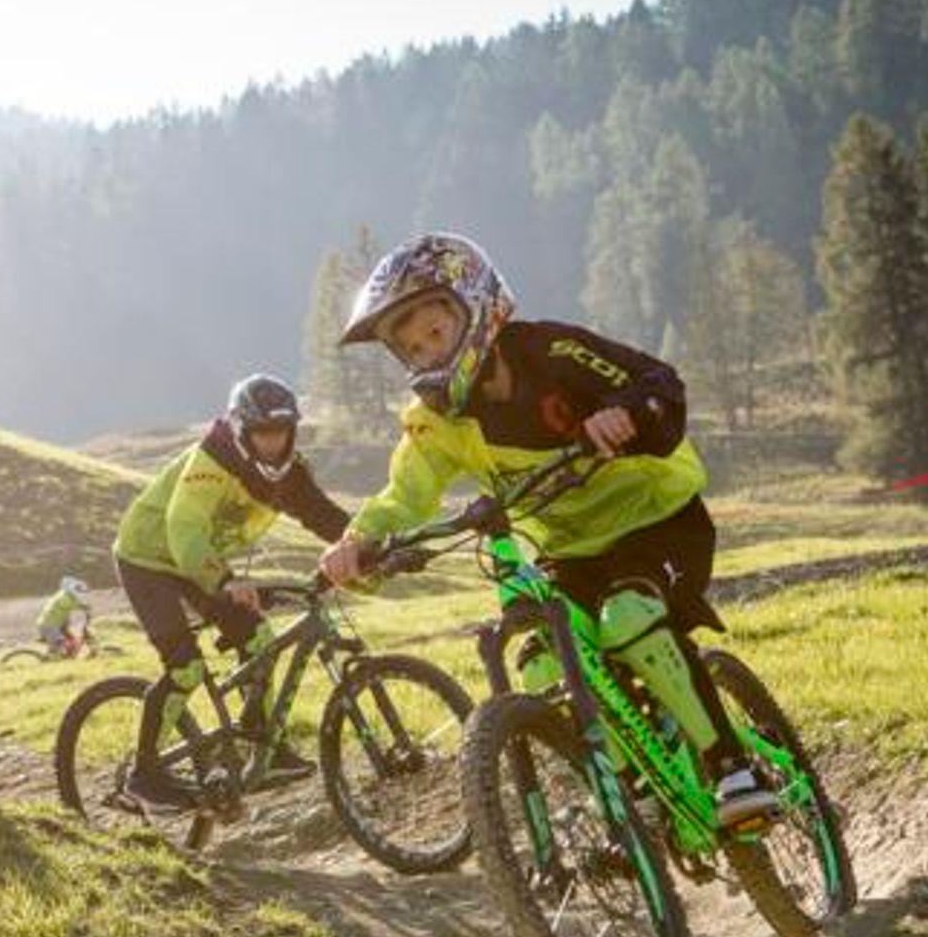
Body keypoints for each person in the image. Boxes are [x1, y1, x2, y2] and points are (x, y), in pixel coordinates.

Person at [316, 232, 779, 828]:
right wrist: (357, 543)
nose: (428, 352)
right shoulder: (436, 422)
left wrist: (624, 412)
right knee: (541, 662)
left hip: (658, 516)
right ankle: (636, 788)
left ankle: (732, 767)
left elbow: (657, 380)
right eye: (413, 349)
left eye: (436, 332)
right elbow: (405, 494)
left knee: (629, 616)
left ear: (474, 304)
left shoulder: (551, 351)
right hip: (571, 548)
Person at [112, 373, 350, 806]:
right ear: (242, 431)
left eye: (282, 431)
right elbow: (184, 530)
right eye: (263, 432)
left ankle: (260, 748)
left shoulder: (290, 473)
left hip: (199, 561)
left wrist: (366, 546)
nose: (274, 442)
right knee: (186, 669)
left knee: (260, 639)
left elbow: (324, 516)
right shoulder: (212, 460)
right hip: (148, 558)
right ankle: (143, 773)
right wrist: (224, 581)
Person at [35, 575, 93, 657]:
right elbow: (68, 604)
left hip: (57, 624)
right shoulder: (63, 596)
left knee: (71, 640)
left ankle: (68, 655)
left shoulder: (69, 596)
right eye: (78, 589)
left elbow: (76, 603)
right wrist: (83, 606)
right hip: (49, 625)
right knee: (60, 643)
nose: (80, 592)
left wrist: (84, 607)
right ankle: (52, 658)